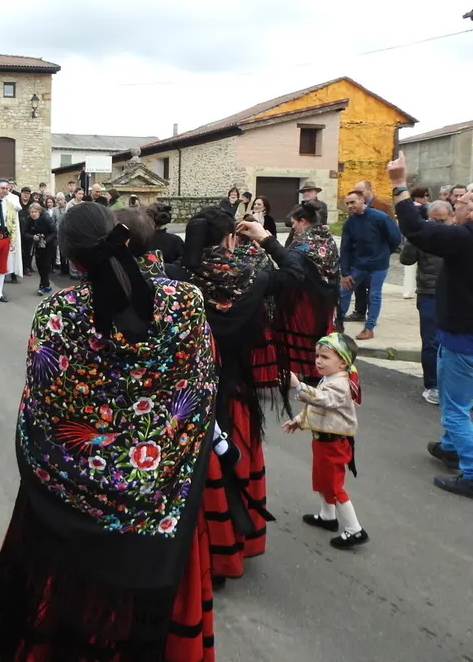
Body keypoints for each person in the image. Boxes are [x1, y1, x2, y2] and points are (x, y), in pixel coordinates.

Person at [0, 203, 218, 662]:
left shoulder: (57, 313)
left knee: (59, 606)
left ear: (70, 257)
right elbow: (201, 388)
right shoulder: (186, 301)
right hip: (160, 492)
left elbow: (42, 409)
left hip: (69, 501)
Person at [167, 209, 304, 586]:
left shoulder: (178, 277)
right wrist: (264, 238)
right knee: (230, 465)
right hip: (233, 387)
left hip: (188, 392)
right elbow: (296, 273)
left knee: (190, 471)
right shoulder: (253, 277)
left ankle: (191, 550)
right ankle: (226, 547)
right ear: (231, 238)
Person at [388, 152, 473, 498]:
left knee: (455, 407)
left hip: (462, 337)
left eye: (464, 200)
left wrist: (398, 184)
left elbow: (416, 230)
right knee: (459, 398)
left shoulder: (465, 238)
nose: (458, 204)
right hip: (457, 333)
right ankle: (451, 447)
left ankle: (469, 470)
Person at [283, 333, 369, 549]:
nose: (318, 361)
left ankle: (354, 529)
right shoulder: (330, 378)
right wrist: (299, 421)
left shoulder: (340, 384)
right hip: (323, 440)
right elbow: (316, 409)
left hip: (335, 443)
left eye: (325, 357)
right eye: (317, 356)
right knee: (321, 480)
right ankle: (327, 516)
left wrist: (298, 386)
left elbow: (324, 401)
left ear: (342, 362)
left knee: (334, 485)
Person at [273, 201, 341, 382]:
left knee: (304, 334)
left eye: (294, 223)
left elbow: (290, 266)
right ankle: (316, 370)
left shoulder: (304, 244)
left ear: (303, 221)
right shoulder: (326, 238)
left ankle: (307, 371)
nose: (293, 228)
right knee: (318, 335)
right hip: (326, 298)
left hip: (307, 300)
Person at [400, 200, 451, 405]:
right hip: (428, 292)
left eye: (442, 220)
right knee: (431, 341)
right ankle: (432, 385)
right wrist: (415, 238)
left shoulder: (458, 235)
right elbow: (405, 260)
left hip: (453, 294)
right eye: (434, 220)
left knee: (453, 342)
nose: (438, 224)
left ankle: (453, 384)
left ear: (451, 218)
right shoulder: (424, 236)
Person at [337, 190, 401, 340]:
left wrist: (383, 254)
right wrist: (345, 273)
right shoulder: (349, 222)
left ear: (362, 200)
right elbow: (345, 247)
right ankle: (338, 325)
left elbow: (395, 238)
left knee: (374, 295)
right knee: (344, 291)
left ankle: (369, 328)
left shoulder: (380, 217)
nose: (349, 206)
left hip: (378, 266)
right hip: (358, 265)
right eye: (347, 203)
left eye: (352, 202)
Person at [23, 203, 57, 295]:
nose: (33, 214)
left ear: (39, 212)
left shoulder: (46, 218)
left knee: (45, 265)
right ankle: (46, 285)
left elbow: (54, 232)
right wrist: (32, 237)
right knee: (39, 265)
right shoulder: (29, 220)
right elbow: (25, 233)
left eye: (35, 212)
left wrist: (45, 240)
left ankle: (42, 285)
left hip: (49, 244)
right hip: (37, 244)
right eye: (32, 212)